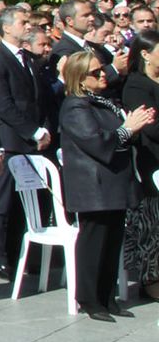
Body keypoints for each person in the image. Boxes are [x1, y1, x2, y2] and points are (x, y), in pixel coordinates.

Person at [59, 50, 156, 321]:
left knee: (112, 241)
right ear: (79, 78)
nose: (103, 74)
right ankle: (89, 299)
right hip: (94, 187)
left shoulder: (100, 102)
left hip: (113, 183)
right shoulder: (75, 106)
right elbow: (98, 142)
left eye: (101, 69)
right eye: (94, 72)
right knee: (94, 242)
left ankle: (106, 296)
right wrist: (128, 128)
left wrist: (134, 126)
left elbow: (120, 137)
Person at [0, 6, 52, 277]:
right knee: (2, 201)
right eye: (23, 22)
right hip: (11, 140)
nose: (28, 26)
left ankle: (20, 252)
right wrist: (34, 131)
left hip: (32, 139)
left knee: (28, 199)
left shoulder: (28, 59)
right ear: (7, 27)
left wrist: (43, 129)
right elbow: (3, 105)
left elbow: (37, 98)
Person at [121, 30, 159, 299]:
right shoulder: (136, 85)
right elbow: (150, 127)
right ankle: (152, 280)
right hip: (151, 161)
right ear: (145, 54)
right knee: (153, 224)